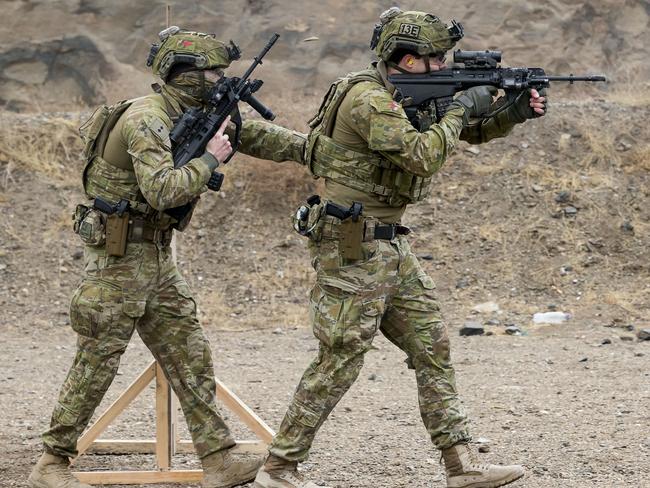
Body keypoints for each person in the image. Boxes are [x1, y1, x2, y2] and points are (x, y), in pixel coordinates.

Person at [252, 8, 547, 488]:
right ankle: (279, 466)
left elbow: (467, 133)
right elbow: (422, 154)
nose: (443, 68)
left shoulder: (408, 93)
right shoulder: (368, 100)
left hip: (390, 245)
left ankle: (461, 466)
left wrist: (510, 112)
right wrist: (460, 106)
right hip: (353, 244)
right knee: (342, 356)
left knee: (432, 346)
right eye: (435, 60)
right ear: (406, 61)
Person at [27, 27, 304, 488]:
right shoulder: (146, 119)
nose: (219, 80)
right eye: (213, 71)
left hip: (155, 256)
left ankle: (218, 458)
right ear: (187, 75)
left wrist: (314, 149)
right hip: (118, 259)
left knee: (190, 355)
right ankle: (51, 464)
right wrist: (211, 160)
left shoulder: (190, 114)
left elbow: (252, 133)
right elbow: (162, 191)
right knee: (97, 362)